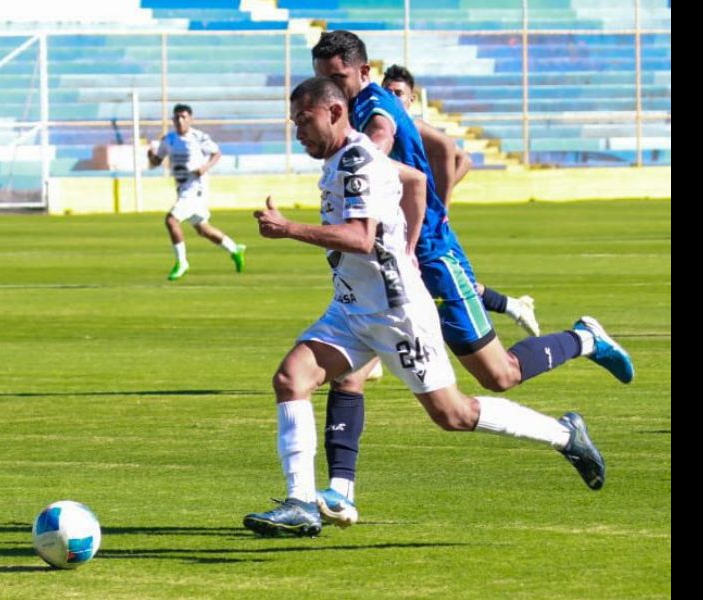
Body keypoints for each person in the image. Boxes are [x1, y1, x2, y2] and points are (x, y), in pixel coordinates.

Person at [243, 77, 606, 538]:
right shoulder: (344, 157)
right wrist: (409, 246)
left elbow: (361, 238)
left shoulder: (356, 161)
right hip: (352, 309)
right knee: (291, 379)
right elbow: (415, 181)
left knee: (454, 415)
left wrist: (289, 229)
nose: (298, 132)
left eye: (303, 120)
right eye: (294, 122)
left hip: (396, 314)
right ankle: (300, 503)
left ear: (334, 112)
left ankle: (565, 435)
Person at [310, 30, 634, 526]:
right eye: (323, 78)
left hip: (432, 260)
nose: (331, 86)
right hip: (386, 269)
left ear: (364, 72)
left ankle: (585, 339)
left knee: (499, 375)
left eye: (338, 77)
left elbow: (388, 142)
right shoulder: (352, 110)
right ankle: (339, 493)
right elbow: (443, 149)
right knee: (349, 372)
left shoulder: (375, 111)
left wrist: (428, 219)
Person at [381, 64, 537, 341]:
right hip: (412, 222)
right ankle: (511, 306)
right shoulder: (386, 127)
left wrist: (440, 204)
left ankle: (496, 333)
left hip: (427, 226)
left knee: (434, 286)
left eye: (398, 93)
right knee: (424, 284)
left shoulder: (413, 127)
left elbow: (460, 157)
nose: (392, 98)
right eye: (387, 92)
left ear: (411, 98)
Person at [147, 103, 246, 281]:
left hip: (195, 189)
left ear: (190, 119)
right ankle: (234, 249)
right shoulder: (168, 139)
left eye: (183, 117)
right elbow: (156, 162)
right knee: (203, 229)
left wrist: (205, 167)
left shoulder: (199, 137)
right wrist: (151, 156)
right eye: (176, 117)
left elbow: (216, 153)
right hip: (182, 189)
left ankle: (182, 262)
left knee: (171, 220)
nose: (179, 120)